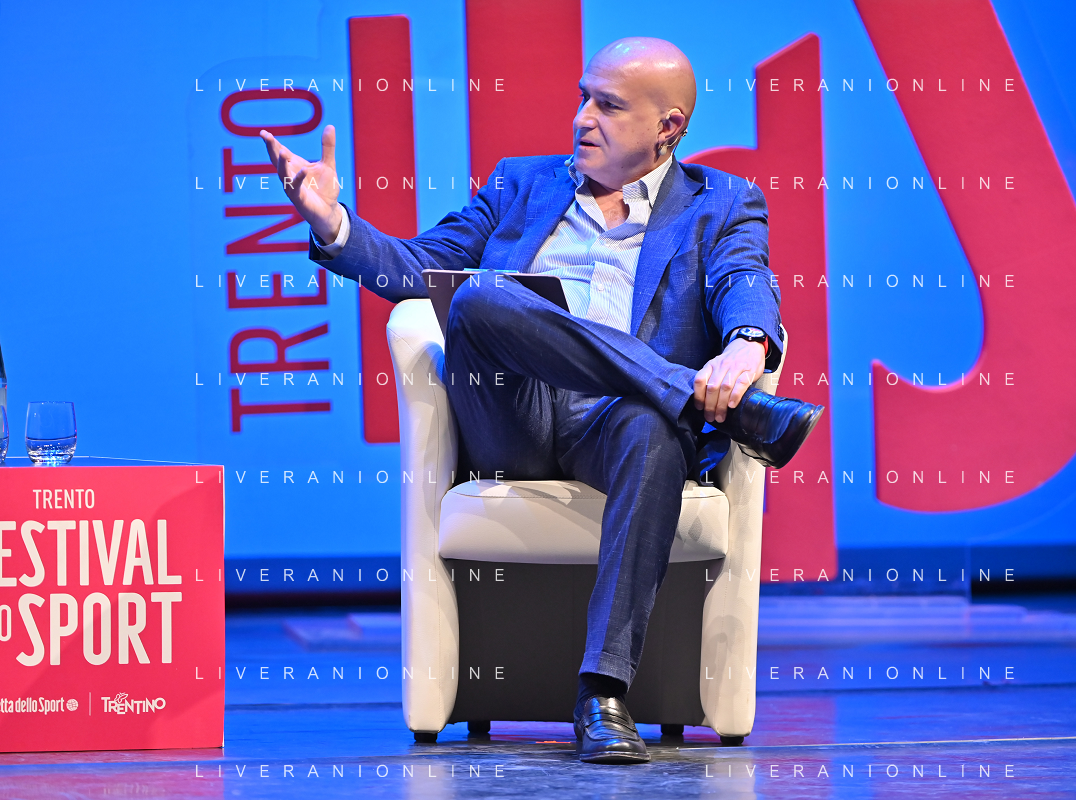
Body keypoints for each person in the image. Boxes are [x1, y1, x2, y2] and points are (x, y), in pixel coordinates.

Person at [261, 36, 823, 765]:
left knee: (654, 435)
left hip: (616, 421)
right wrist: (331, 221)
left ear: (668, 127)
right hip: (512, 415)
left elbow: (744, 279)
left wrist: (748, 344)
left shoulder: (720, 201)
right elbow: (418, 268)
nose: (582, 117)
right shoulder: (521, 183)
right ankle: (698, 401)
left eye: (608, 105)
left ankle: (602, 696)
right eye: (583, 97)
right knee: (478, 297)